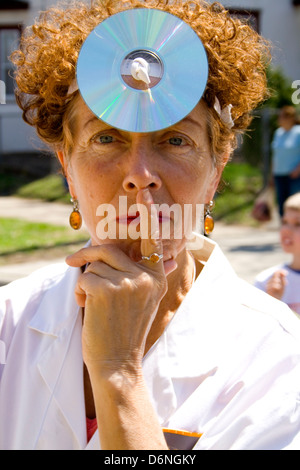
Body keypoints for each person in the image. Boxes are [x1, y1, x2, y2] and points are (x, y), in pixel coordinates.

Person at [1, 0, 300, 451]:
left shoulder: (278, 358)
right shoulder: (9, 323)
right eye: (106, 138)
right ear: (67, 168)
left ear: (216, 171)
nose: (141, 173)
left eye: (175, 139)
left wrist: (118, 371)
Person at [255, 192, 300, 317]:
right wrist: (272, 302)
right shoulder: (266, 281)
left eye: (298, 224)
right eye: (284, 222)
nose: (286, 229)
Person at [271, 106, 300, 217]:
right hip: (279, 174)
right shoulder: (278, 133)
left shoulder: (298, 132)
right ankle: (285, 229)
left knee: (294, 205)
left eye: (282, 117)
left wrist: (298, 170)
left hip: (294, 176)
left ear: (290, 118)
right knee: (282, 205)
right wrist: (272, 174)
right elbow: (275, 154)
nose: (279, 119)